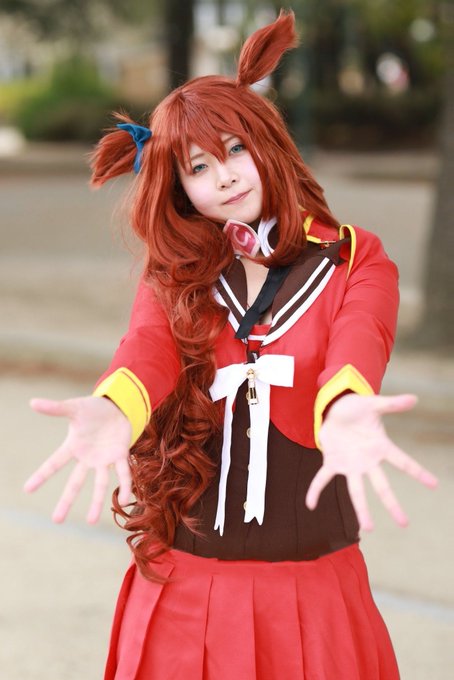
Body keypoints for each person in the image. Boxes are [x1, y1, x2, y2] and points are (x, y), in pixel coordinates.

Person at [24, 11, 437, 680]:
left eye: (236, 149)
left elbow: (360, 338)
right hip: (185, 589)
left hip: (311, 589)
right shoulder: (176, 274)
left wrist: (346, 409)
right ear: (179, 187)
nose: (224, 177)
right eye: (198, 166)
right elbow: (148, 348)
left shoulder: (354, 257)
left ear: (268, 141)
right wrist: (114, 409)